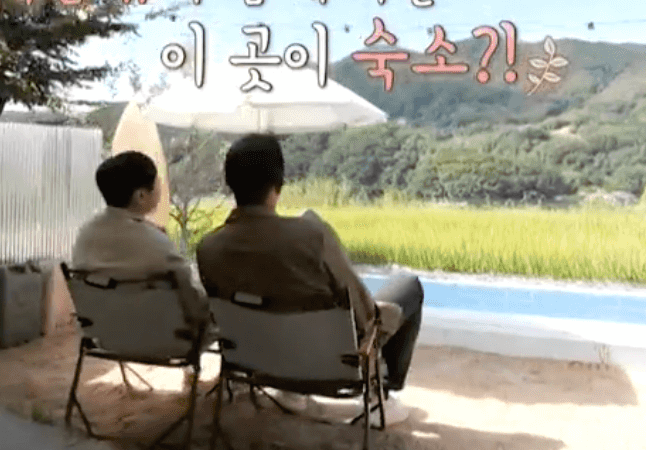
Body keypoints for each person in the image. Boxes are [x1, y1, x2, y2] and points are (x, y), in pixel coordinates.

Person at [195, 134, 424, 416]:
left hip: (254, 360)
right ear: (277, 185)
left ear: (230, 183)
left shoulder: (208, 248)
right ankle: (382, 392)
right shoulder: (311, 236)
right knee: (408, 286)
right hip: (327, 364)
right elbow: (364, 313)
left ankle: (292, 393)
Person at [70, 151, 210, 331]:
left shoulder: (85, 234)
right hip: (158, 336)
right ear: (141, 196)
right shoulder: (156, 242)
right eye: (157, 182)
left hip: (101, 334)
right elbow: (193, 301)